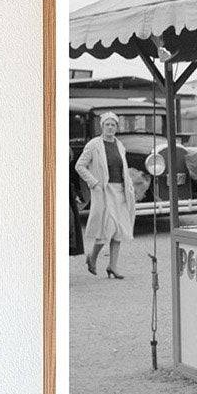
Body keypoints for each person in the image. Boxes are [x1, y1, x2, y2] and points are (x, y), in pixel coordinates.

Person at [74, 112, 137, 278]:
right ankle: (92, 257)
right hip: (104, 191)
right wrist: (94, 183)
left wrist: (129, 186)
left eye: (113, 125)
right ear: (102, 126)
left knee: (120, 229)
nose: (110, 128)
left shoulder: (119, 145)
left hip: (120, 191)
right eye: (107, 124)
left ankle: (112, 266)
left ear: (117, 127)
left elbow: (123, 169)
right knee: (107, 228)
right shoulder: (94, 145)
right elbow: (80, 166)